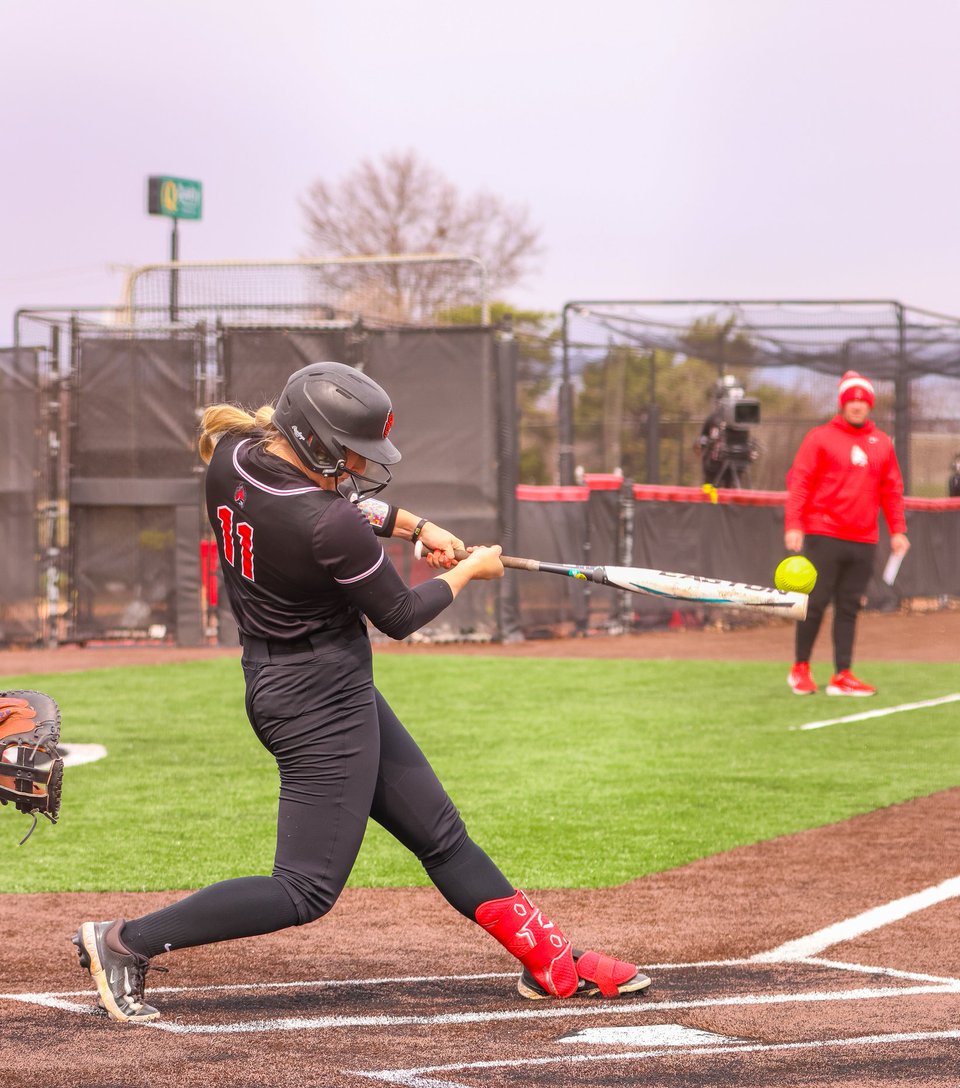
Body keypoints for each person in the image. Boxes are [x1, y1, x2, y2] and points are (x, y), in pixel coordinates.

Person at [72, 362, 650, 1022]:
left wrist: (414, 527)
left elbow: (335, 502)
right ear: (313, 440)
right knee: (304, 888)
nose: (357, 464)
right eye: (348, 450)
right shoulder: (326, 523)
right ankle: (124, 942)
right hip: (318, 701)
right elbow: (400, 614)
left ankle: (550, 961)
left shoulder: (233, 456)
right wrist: (467, 572)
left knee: (440, 834)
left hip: (301, 684)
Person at [784, 370, 909, 698]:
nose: (856, 405)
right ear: (842, 403)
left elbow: (892, 490)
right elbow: (800, 481)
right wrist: (794, 523)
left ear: (870, 405)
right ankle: (800, 669)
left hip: (864, 540)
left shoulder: (881, 443)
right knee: (815, 603)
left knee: (850, 607)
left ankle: (842, 675)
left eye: (862, 400)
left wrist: (898, 530)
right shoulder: (819, 437)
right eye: (851, 399)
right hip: (824, 533)